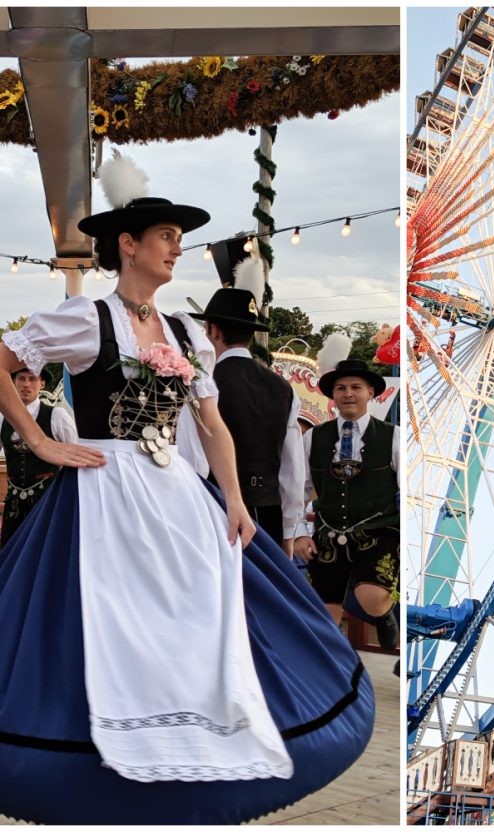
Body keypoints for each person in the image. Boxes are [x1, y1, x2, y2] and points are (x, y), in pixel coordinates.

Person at [0, 151, 373, 824]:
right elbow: (3, 361)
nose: (177, 247)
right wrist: (39, 439)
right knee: (106, 616)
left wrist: (231, 499)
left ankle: (197, 738)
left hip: (174, 489)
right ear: (128, 245)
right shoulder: (86, 318)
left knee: (198, 610)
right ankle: (102, 759)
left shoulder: (183, 332)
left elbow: (214, 424)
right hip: (105, 488)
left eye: (177, 237)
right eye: (166, 236)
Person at [192, 253, 305, 554]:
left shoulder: (204, 384)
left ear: (213, 330)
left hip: (217, 506)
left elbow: (194, 457)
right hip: (268, 513)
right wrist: (290, 530)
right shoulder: (284, 389)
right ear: (252, 334)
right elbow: (293, 471)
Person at [293, 354, 400, 651]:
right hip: (329, 531)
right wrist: (301, 532)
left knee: (372, 597)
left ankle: (384, 613)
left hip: (379, 530)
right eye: (341, 388)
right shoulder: (313, 438)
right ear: (332, 395)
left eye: (356, 387)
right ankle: (337, 666)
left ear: (370, 393)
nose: (348, 394)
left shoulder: (393, 437)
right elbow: (298, 490)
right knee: (325, 618)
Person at [0, 364, 77, 547]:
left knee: (45, 549)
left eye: (32, 379)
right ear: (12, 382)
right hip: (13, 505)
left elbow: (74, 457)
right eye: (21, 379)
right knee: (9, 553)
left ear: (42, 384)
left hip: (48, 501)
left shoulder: (56, 415)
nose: (26, 384)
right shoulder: (3, 418)